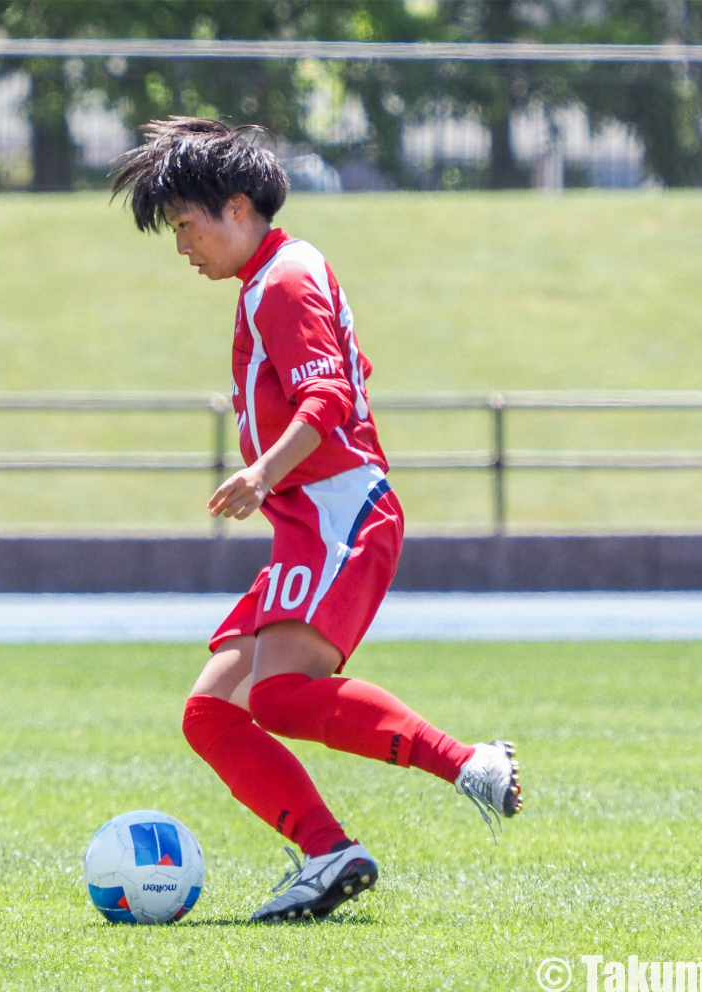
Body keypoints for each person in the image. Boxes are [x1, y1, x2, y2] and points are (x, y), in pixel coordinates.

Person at [111, 118, 521, 923]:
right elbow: (348, 370)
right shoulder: (275, 275)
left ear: (235, 207)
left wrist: (263, 473)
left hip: (338, 513)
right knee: (213, 714)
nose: (182, 246)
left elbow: (329, 397)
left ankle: (469, 762)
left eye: (186, 225)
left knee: (280, 699)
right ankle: (329, 855)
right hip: (312, 518)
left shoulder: (282, 279)